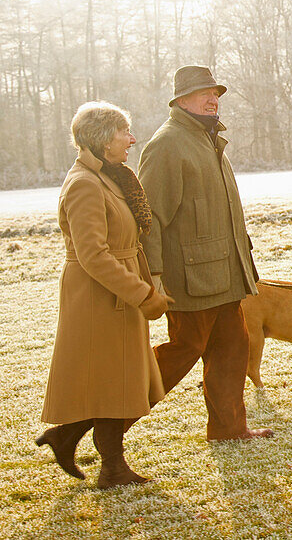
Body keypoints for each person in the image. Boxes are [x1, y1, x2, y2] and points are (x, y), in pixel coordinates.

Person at [37, 102, 172, 489]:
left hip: (116, 290)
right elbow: (93, 255)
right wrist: (143, 294)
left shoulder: (108, 177)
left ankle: (66, 440)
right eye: (123, 133)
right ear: (101, 138)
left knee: (116, 379)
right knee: (112, 381)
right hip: (98, 295)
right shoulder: (83, 184)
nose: (131, 139)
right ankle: (112, 468)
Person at [138, 65, 274, 441]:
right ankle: (97, 420)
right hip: (190, 282)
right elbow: (148, 218)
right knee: (181, 354)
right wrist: (153, 276)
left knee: (233, 351)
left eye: (215, 92)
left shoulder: (209, 140)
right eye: (204, 93)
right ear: (181, 100)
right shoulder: (168, 143)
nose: (213, 99)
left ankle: (230, 429)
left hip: (225, 277)